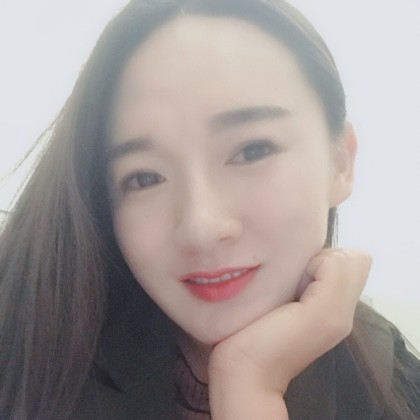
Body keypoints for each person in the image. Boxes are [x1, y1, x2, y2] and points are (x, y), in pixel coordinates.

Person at [0, 0, 419, 418]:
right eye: (144, 178)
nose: (201, 227)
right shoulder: (26, 358)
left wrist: (249, 381)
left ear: (340, 163)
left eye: (252, 150)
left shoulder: (390, 381)